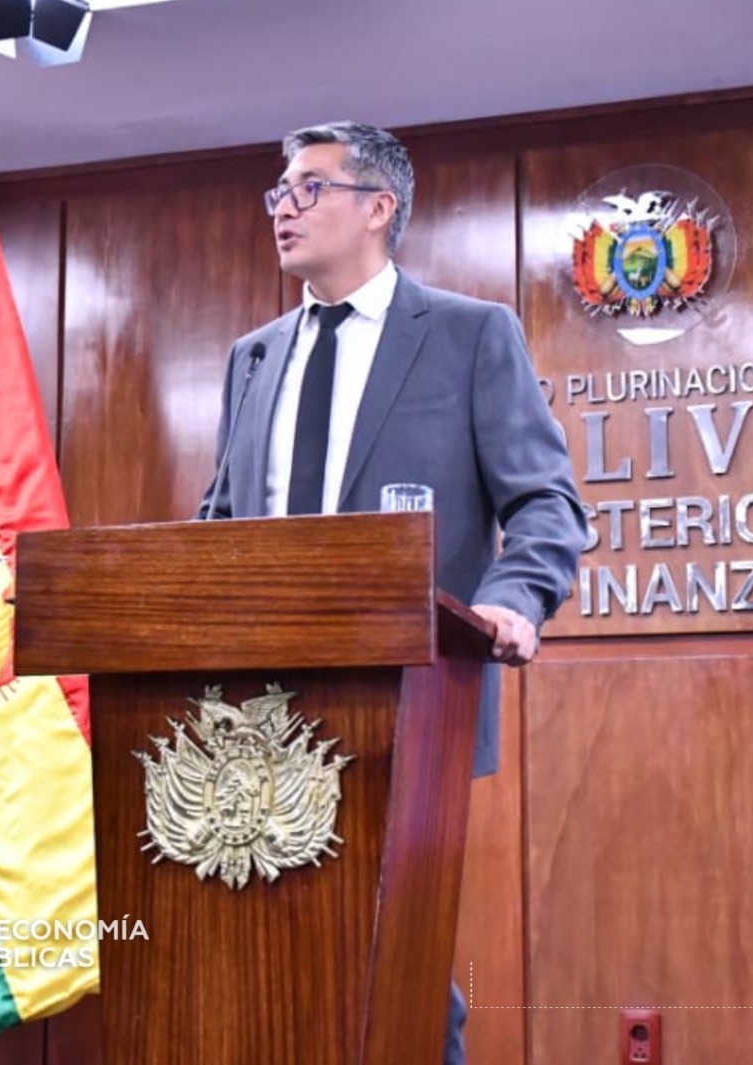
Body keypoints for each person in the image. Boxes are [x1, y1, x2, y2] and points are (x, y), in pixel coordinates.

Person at [196, 121, 586, 1064]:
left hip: (406, 697)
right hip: (255, 711)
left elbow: (546, 501)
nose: (283, 208)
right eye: (277, 192)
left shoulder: (467, 333)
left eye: (308, 188)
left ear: (380, 208)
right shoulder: (253, 356)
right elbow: (218, 521)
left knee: (390, 959)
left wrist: (515, 601)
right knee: (270, 959)